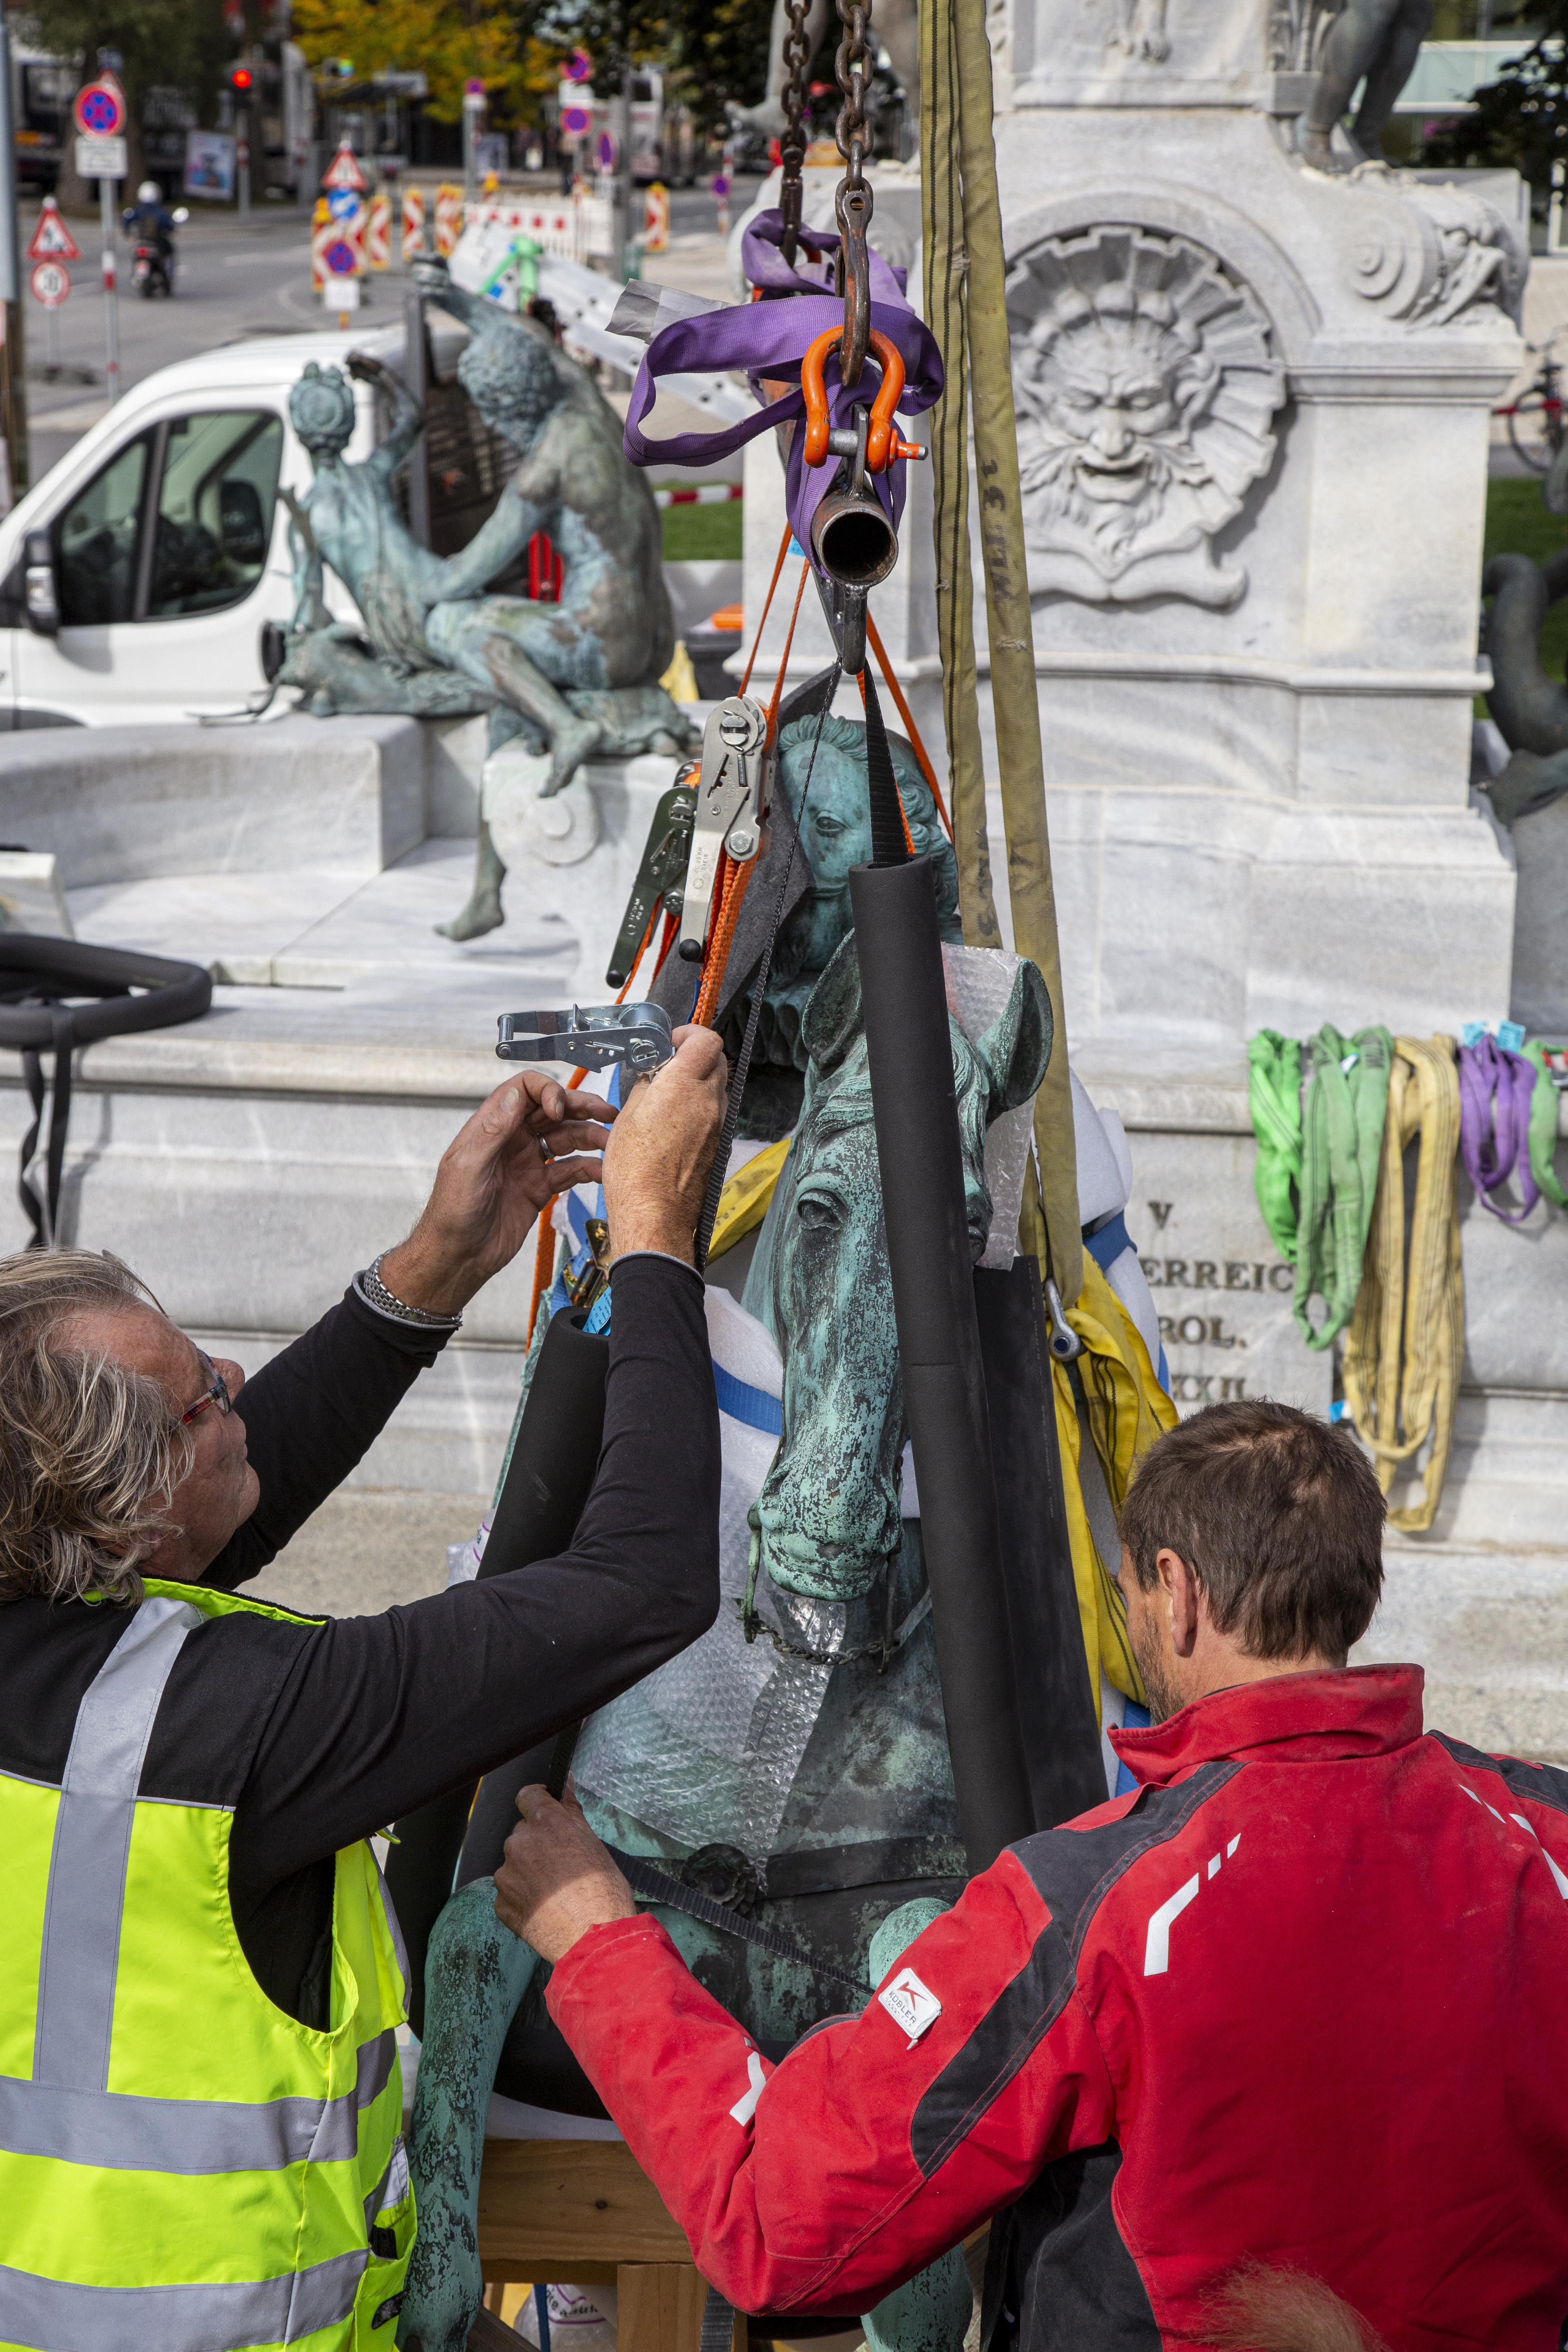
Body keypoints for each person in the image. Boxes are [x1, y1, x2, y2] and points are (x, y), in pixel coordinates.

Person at [496, 1398, 1568, 2349]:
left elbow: (782, 2227)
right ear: (1355, 1596)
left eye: (1128, 1595)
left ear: (1177, 1593)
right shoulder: (1546, 1838)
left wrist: (599, 1943)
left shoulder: (1086, 1902)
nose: (1134, 1622)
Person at [0, 1030, 728, 2348]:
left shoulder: (50, 1590)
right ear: (118, 1525)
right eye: (198, 1401)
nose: (235, 1382)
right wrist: (658, 1239)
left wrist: (438, 1263)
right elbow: (646, 1582)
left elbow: (222, 1493)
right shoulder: (233, 1727)